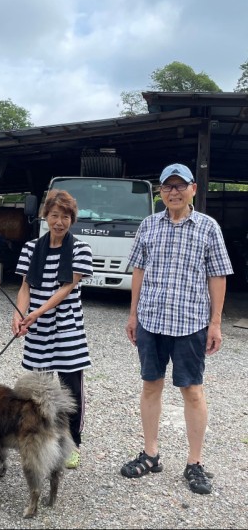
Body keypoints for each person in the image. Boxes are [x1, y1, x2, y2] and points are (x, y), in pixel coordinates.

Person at [121, 163, 233, 495]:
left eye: (179, 186)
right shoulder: (148, 225)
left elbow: (218, 275)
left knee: (193, 391)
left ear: (193, 189)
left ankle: (195, 462)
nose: (173, 192)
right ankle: (151, 454)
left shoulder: (208, 227)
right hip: (152, 321)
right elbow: (138, 271)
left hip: (191, 323)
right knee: (150, 387)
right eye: (167, 187)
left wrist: (216, 323)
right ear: (160, 192)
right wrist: (133, 315)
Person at [11, 189, 93, 469]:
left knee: (71, 390)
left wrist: (35, 312)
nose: (59, 221)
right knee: (39, 390)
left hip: (67, 328)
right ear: (45, 215)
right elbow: (25, 286)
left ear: (72, 219)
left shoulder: (81, 249)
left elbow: (66, 287)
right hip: (37, 330)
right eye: (54, 215)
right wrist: (20, 313)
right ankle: (41, 438)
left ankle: (73, 443)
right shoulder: (31, 249)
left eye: (66, 216)